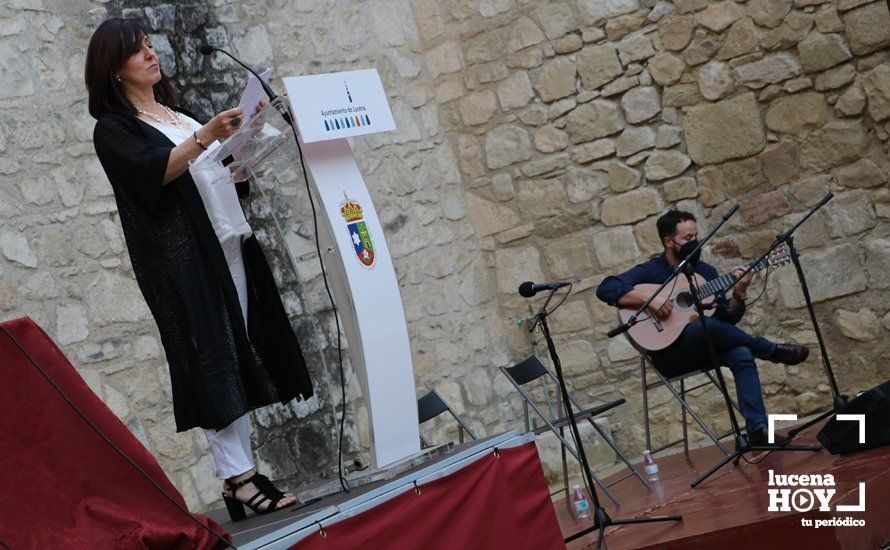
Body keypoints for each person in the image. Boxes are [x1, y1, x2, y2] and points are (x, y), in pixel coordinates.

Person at [85, 18, 313, 521]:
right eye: (137, 50)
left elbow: (208, 171)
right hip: (184, 263)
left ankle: (242, 478)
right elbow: (155, 175)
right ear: (113, 68)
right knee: (212, 357)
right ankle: (239, 478)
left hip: (228, 240)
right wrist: (206, 136)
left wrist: (239, 154)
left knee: (237, 352)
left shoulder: (175, 112)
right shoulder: (114, 129)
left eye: (149, 45)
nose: (151, 54)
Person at [596, 209, 809, 445]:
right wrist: (653, 300)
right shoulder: (652, 270)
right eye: (687, 239)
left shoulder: (706, 273)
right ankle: (769, 349)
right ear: (668, 241)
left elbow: (726, 324)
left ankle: (758, 430)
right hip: (667, 355)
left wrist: (739, 295)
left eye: (696, 237)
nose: (694, 243)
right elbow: (606, 288)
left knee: (741, 352)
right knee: (706, 325)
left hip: (704, 347)